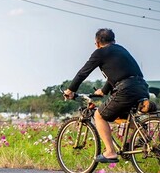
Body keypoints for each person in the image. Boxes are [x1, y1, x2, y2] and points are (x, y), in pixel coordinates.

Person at [63, 28, 149, 163]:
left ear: (97, 43)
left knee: (99, 115)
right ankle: (143, 133)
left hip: (125, 89)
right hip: (142, 87)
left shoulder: (100, 53)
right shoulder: (121, 49)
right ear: (114, 41)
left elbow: (83, 73)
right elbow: (119, 73)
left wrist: (70, 90)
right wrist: (103, 91)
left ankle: (110, 152)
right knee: (120, 115)